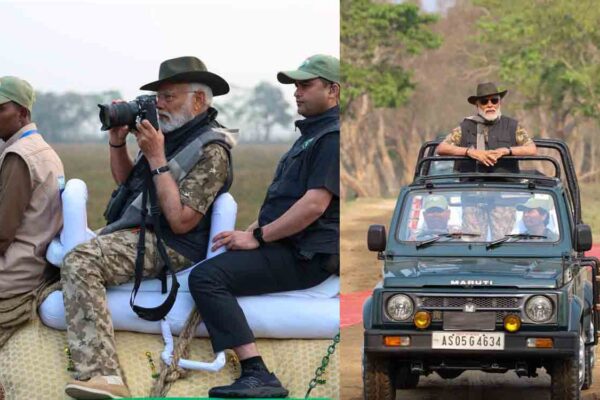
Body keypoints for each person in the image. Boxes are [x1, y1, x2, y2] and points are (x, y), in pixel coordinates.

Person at [61, 56, 235, 399]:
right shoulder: (168, 134)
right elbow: (128, 183)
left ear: (198, 100)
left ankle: (104, 376)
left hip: (172, 243)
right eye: (158, 97)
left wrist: (157, 158)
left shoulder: (212, 150)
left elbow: (182, 221)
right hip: (140, 229)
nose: (159, 104)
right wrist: (117, 141)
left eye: (169, 96)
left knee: (80, 260)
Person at [188, 54, 340, 398]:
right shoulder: (311, 136)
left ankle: (257, 372)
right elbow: (285, 202)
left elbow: (314, 205)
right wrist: (247, 232)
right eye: (295, 86)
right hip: (286, 244)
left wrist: (258, 237)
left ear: (333, 90)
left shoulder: (332, 137)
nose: (296, 93)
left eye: (305, 85)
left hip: (307, 255)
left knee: (207, 278)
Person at [0, 76, 65, 346]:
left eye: (1, 109)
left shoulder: (19, 156)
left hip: (14, 271)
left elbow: (2, 234)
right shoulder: (42, 149)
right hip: (38, 262)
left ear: (22, 113)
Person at [437, 82, 537, 239]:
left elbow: (531, 148)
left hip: (503, 194)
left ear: (499, 102)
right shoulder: (466, 126)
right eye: (484, 101)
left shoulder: (512, 126)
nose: (490, 105)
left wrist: (507, 151)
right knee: (473, 242)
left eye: (494, 100)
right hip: (472, 194)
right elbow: (442, 148)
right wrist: (470, 152)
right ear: (477, 105)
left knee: (503, 243)